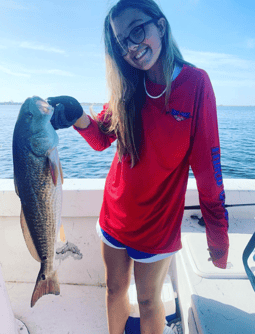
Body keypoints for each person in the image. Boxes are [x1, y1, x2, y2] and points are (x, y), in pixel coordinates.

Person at [47, 0, 229, 333]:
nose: (132, 47)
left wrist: (219, 241)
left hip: (158, 227)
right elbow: (102, 136)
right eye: (122, 42)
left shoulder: (196, 84)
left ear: (160, 26)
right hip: (114, 216)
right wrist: (77, 115)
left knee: (148, 301)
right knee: (115, 289)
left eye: (138, 31)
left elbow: (208, 173)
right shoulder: (128, 85)